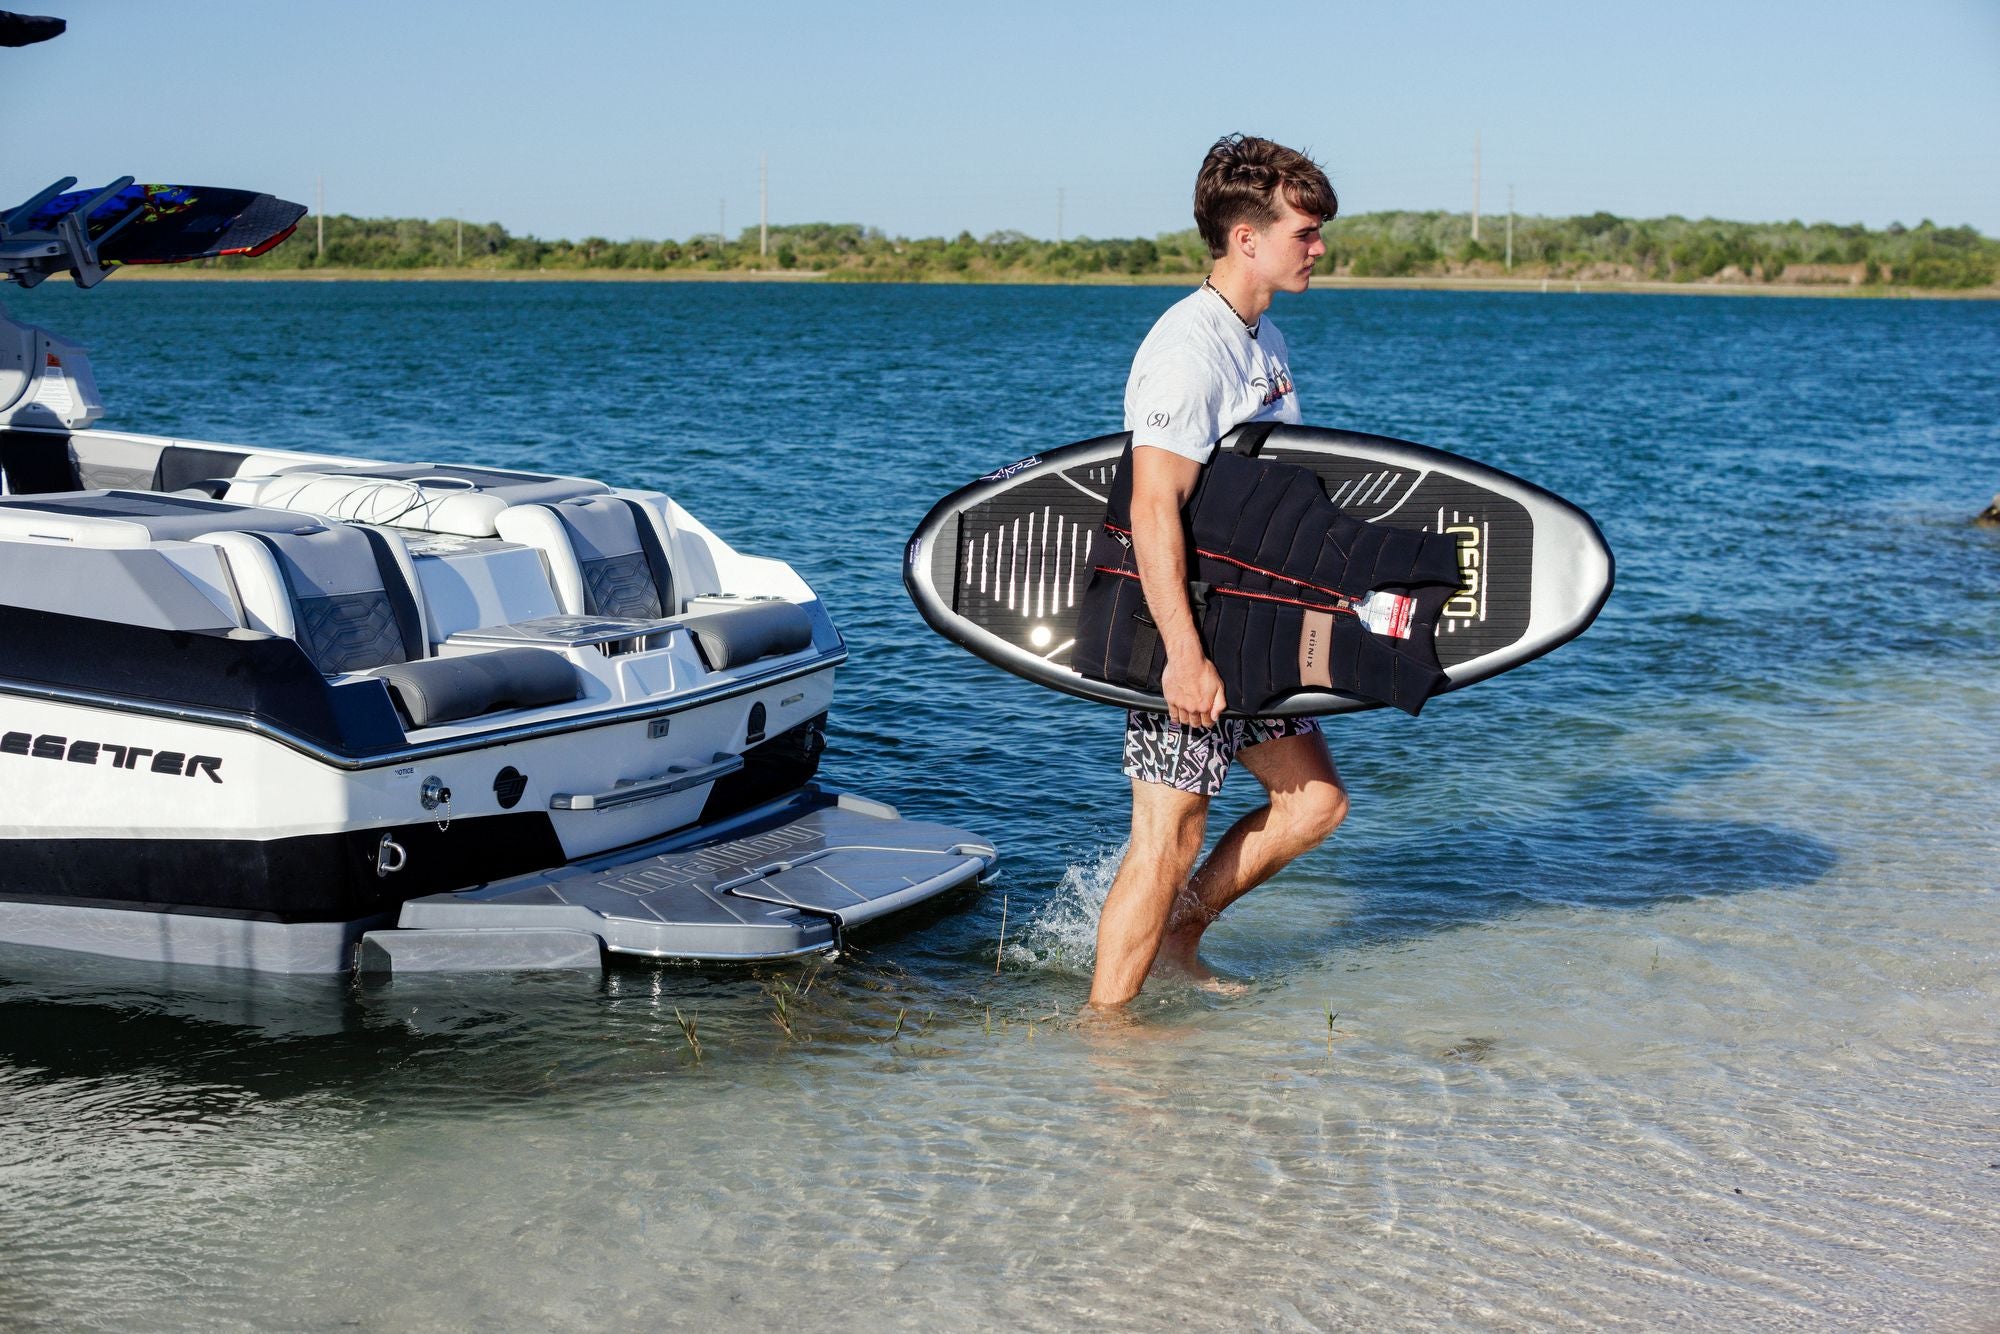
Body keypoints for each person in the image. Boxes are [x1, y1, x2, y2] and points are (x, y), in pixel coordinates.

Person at [1088, 134, 1347, 1009]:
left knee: (1312, 804)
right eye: (1305, 231)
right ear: (1246, 236)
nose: (1318, 246)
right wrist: (1183, 656)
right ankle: (1106, 1032)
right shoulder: (1188, 349)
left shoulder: (1259, 333)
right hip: (1185, 628)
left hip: (1246, 625)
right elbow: (1150, 506)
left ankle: (1176, 938)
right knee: (1169, 830)